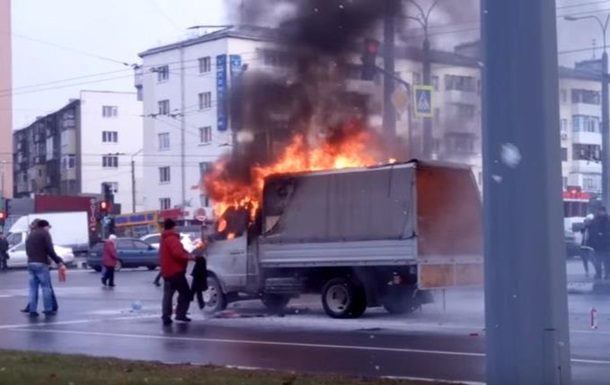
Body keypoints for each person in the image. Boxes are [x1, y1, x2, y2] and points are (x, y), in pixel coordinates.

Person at [159, 219, 195, 326]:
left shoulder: (164, 239)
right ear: (173, 227)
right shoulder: (172, 238)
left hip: (167, 272)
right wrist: (191, 257)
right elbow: (178, 254)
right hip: (176, 272)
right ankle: (180, 314)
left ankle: (166, 316)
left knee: (168, 296)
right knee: (185, 293)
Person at [25, 219, 64, 316]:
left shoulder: (30, 234)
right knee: (46, 287)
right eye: (48, 227)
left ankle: (32, 310)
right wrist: (58, 260)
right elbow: (50, 249)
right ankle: (48, 309)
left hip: (31, 263)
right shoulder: (45, 234)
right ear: (45, 226)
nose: (49, 229)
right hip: (41, 263)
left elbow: (27, 249)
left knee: (33, 288)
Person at [588, 207, 610, 280]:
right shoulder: (595, 220)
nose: (600, 213)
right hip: (597, 245)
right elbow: (592, 231)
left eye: (601, 211)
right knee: (598, 261)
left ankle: (606, 274)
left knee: (606, 261)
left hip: (606, 244)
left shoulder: (607, 220)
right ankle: (598, 274)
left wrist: (603, 234)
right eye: (599, 211)